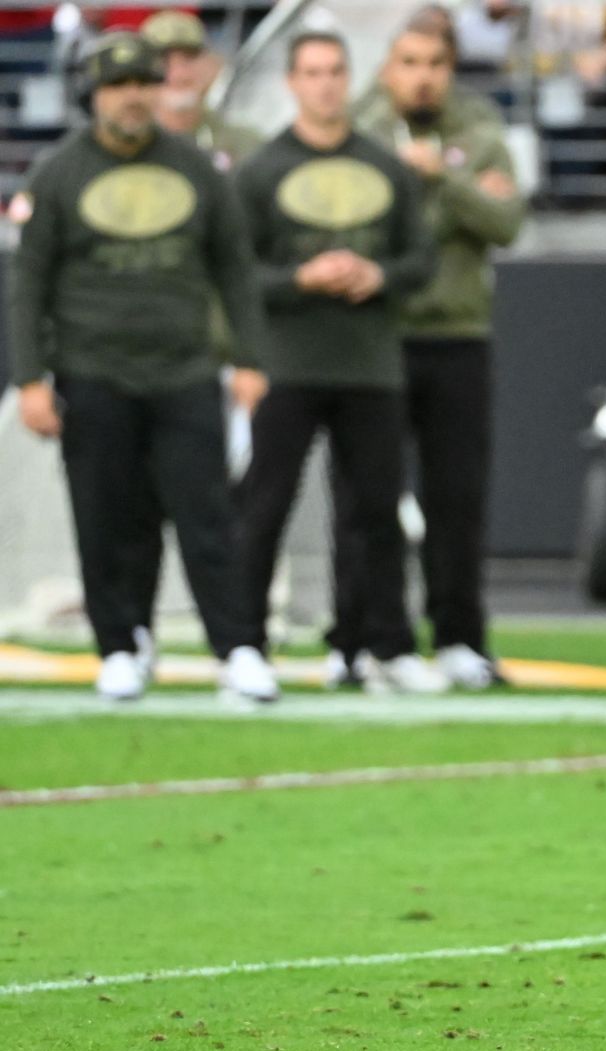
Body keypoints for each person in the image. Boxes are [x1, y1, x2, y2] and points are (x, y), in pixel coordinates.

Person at [6, 33, 274, 703]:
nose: (133, 97)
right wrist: (30, 377)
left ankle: (237, 645)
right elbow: (28, 284)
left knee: (207, 514)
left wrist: (250, 355)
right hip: (92, 369)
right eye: (119, 85)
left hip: (183, 367)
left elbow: (235, 270)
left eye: (145, 84)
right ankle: (120, 644)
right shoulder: (59, 172)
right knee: (105, 519)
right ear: (93, 94)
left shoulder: (196, 168)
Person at [232, 31, 442, 693]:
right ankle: (243, 645)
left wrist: (375, 274)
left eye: (334, 71)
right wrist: (303, 277)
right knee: (264, 506)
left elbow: (422, 261)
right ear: (292, 82)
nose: (324, 84)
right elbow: (236, 273)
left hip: (369, 365)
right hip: (287, 363)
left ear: (350, 80)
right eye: (312, 72)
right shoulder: (261, 170)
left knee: (375, 513)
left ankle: (376, 645)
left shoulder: (385, 165)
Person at [343, 9, 527, 691]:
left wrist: (438, 181)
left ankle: (459, 637)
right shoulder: (360, 125)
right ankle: (356, 639)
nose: (422, 78)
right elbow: (362, 229)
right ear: (388, 66)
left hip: (457, 332)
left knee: (457, 499)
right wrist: (452, 195)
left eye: (435, 64)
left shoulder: (478, 126)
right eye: (410, 62)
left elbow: (507, 220)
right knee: (366, 499)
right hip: (375, 337)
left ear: (451, 67)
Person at [139, 9, 261, 172]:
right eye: (164, 61)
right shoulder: (125, 143)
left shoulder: (246, 145)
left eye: (189, 59)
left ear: (213, 64)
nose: (178, 74)